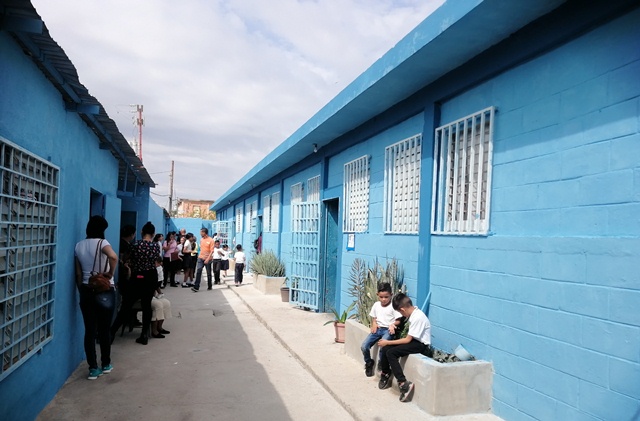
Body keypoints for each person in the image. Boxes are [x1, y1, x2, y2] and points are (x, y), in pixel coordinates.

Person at [74, 215, 118, 380]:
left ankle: (93, 368)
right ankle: (106, 364)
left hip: (87, 289)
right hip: (104, 289)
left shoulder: (79, 246)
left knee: (90, 330)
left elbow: (78, 273)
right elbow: (113, 257)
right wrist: (110, 273)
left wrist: (81, 289)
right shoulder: (103, 243)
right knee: (104, 329)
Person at [111, 221, 160, 345]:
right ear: (153, 234)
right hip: (150, 277)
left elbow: (126, 258)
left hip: (137, 277)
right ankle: (144, 335)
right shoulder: (155, 246)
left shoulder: (135, 244)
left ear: (141, 232)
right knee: (147, 306)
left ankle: (111, 333)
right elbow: (155, 261)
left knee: (126, 305)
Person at [377, 293, 431, 402]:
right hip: (414, 341)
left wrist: (387, 342)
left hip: (421, 345)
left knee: (391, 352)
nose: (401, 314)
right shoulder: (412, 312)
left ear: (402, 309)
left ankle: (403, 383)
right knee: (386, 349)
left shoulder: (417, 317)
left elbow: (407, 340)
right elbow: (402, 324)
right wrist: (392, 325)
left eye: (400, 312)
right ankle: (386, 372)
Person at [361, 283, 402, 377]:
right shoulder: (376, 305)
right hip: (378, 329)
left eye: (386, 297)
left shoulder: (393, 306)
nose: (384, 299)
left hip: (388, 330)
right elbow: (374, 317)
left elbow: (398, 320)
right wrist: (374, 324)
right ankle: (368, 362)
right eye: (381, 297)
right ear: (377, 295)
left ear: (391, 295)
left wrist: (392, 325)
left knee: (383, 345)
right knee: (364, 346)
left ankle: (382, 362)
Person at [151, 257, 171, 338]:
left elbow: (156, 285)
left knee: (166, 303)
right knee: (158, 305)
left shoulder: (158, 270)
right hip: (145, 296)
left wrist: (159, 293)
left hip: (153, 295)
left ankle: (159, 327)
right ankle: (154, 330)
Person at [192, 228, 215, 292]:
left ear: (204, 233)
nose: (200, 233)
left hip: (208, 259)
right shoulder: (201, 240)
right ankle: (196, 287)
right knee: (199, 271)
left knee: (208, 273)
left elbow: (212, 251)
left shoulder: (211, 240)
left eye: (201, 232)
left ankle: (209, 286)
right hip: (201, 258)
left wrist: (208, 259)